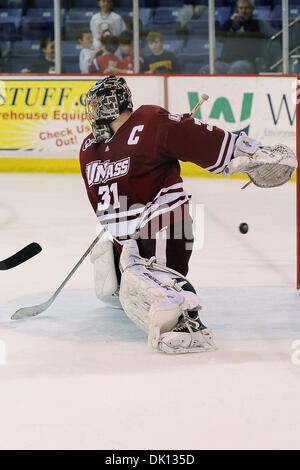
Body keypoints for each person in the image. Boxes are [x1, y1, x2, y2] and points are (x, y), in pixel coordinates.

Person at [79, 75, 296, 354]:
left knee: (149, 274)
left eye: (94, 105)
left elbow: (199, 138)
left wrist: (247, 151)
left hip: (164, 227)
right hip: (126, 237)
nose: (91, 113)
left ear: (107, 106)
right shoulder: (89, 149)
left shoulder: (149, 122)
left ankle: (190, 324)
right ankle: (146, 285)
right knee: (115, 276)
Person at [200, 0, 270, 74]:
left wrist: (242, 22)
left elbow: (251, 37)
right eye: (241, 8)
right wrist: (230, 21)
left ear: (252, 9)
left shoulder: (258, 23)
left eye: (246, 8)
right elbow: (220, 38)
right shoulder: (232, 22)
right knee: (205, 69)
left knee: (235, 70)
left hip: (245, 61)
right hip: (225, 61)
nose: (243, 11)